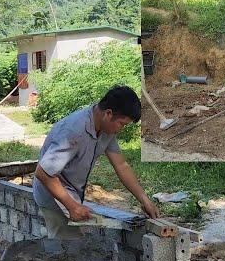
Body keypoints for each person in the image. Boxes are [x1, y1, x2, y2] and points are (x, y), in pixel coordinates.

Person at [33, 85, 159, 239]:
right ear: (108, 113)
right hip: (52, 194)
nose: (122, 129)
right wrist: (72, 206)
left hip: (71, 191)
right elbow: (43, 172)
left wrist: (144, 199)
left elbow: (121, 166)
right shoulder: (74, 130)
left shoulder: (106, 130)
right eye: (122, 124)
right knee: (66, 248)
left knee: (76, 246)